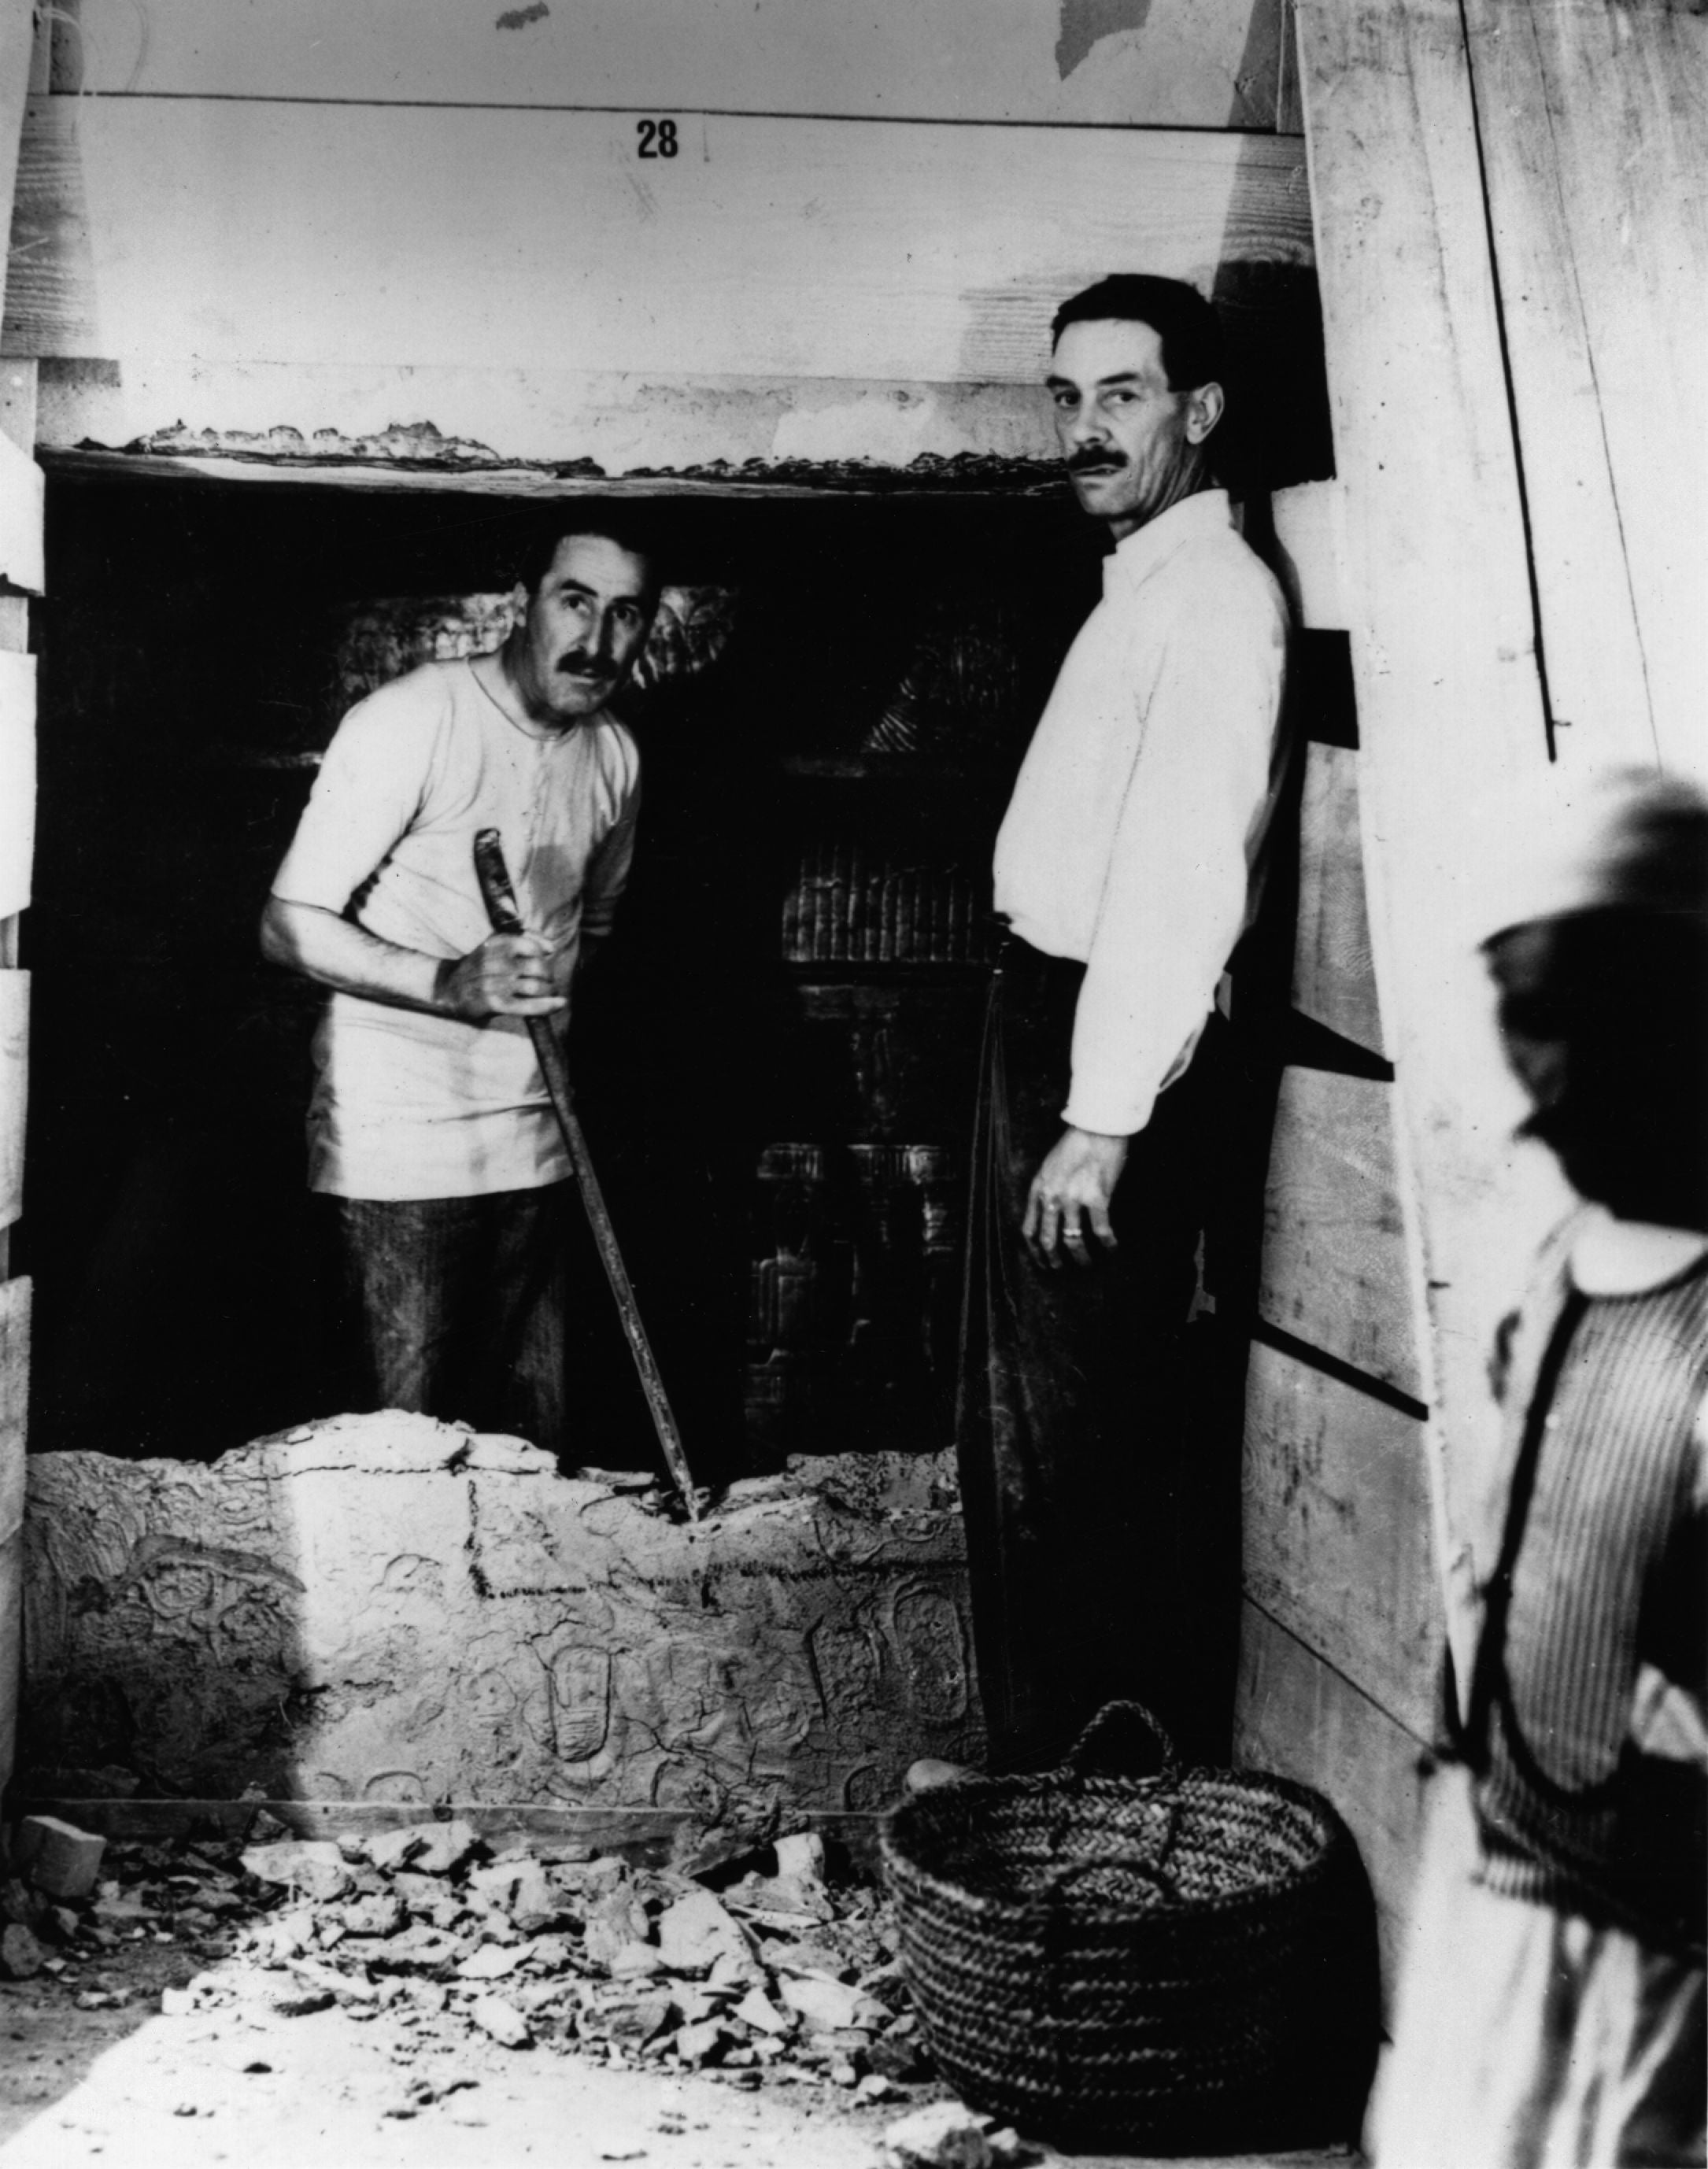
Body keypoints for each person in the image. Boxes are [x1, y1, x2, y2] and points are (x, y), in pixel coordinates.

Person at [955, 274, 1292, 1771]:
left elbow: (1180, 879)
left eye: (1124, 396)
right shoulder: (1146, 584)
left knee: (1078, 1445)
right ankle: (1048, 1783)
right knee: (1028, 1431)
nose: (1085, 431)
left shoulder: (1215, 600)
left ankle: (1090, 1799)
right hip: (1055, 1020)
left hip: (1104, 1053)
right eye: (1067, 397)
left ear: (1199, 415)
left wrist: (1098, 1125)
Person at [1369, 768, 1707, 2169]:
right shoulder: (1561, 1275)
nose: (1549, 1095)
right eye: (1533, 1034)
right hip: (1498, 1873)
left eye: (1601, 1035)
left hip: (1658, 1927)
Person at [260, 521, 657, 1461]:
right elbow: (287, 922)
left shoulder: (616, 758)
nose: (597, 640)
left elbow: (587, 934)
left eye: (626, 613)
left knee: (532, 1463)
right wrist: (448, 980)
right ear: (523, 600)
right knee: (395, 1464)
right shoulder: (412, 719)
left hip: (538, 1146)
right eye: (575, 600)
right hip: (401, 1154)